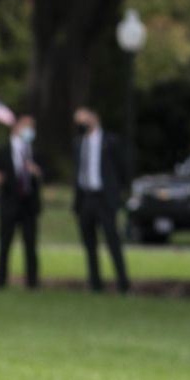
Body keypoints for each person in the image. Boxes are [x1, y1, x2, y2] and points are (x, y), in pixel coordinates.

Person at [72, 106, 130, 294]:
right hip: (86, 198)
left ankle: (123, 283)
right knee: (89, 243)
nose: (81, 123)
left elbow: (123, 169)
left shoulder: (110, 141)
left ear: (94, 118)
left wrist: (118, 195)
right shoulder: (79, 142)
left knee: (112, 240)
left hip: (105, 198)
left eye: (84, 119)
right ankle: (95, 283)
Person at [0, 113, 42, 290]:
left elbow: (46, 174)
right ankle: (0, 280)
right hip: (9, 203)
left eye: (32, 127)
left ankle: (32, 282)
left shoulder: (34, 152)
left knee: (30, 245)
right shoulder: (3, 150)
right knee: (5, 244)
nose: (30, 131)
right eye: (27, 126)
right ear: (17, 127)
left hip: (29, 204)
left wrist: (37, 172)